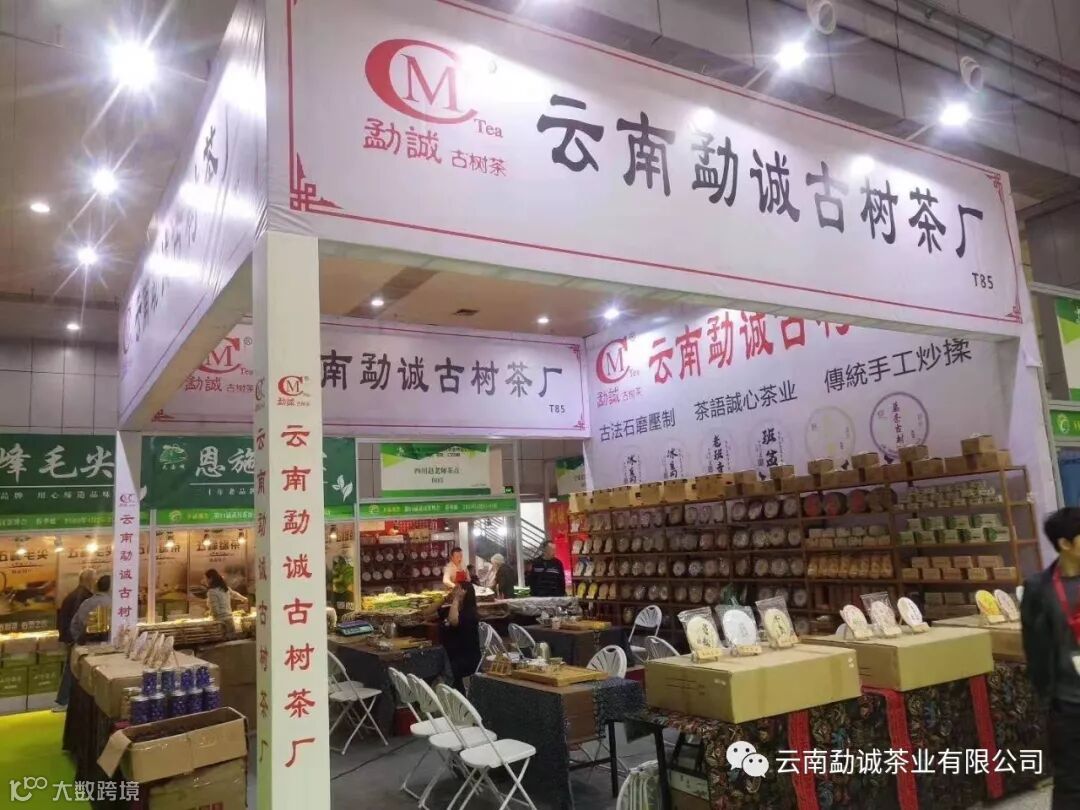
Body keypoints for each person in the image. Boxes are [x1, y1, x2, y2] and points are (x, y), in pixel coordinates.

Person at [1022, 506, 1080, 809]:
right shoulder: (1039, 589)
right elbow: (1035, 648)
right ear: (1065, 544)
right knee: (1071, 783)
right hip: (1068, 703)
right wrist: (1048, 698)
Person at [52, 569, 96, 711]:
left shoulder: (74, 595)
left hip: (70, 637)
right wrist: (77, 638)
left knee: (72, 668)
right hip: (75, 638)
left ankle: (64, 700)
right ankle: (62, 701)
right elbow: (78, 621)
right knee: (72, 669)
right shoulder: (83, 597)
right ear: (89, 580)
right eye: (94, 579)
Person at [438, 571, 481, 691]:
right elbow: (427, 612)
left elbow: (453, 621)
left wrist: (456, 599)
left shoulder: (469, 614)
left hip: (464, 659)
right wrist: (446, 598)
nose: (454, 592)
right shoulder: (456, 610)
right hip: (450, 656)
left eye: (457, 590)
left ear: (465, 594)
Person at [204, 568, 248, 638]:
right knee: (231, 642)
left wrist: (210, 615)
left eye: (206, 578)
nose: (205, 580)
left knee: (223, 642)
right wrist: (243, 599)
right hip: (230, 620)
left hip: (221, 623)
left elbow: (216, 611)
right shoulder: (224, 588)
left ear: (211, 579)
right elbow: (234, 594)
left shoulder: (212, 592)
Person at [69, 574, 112, 645]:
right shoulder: (112, 604)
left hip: (86, 645)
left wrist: (81, 642)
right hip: (107, 647)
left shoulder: (86, 603)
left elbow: (74, 626)